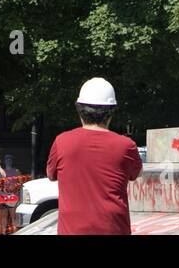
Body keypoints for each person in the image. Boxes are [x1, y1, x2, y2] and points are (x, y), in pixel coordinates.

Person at [45, 77, 142, 235]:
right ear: (111, 111)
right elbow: (136, 173)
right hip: (114, 229)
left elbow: (51, 175)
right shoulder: (126, 146)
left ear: (79, 109)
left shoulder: (61, 142)